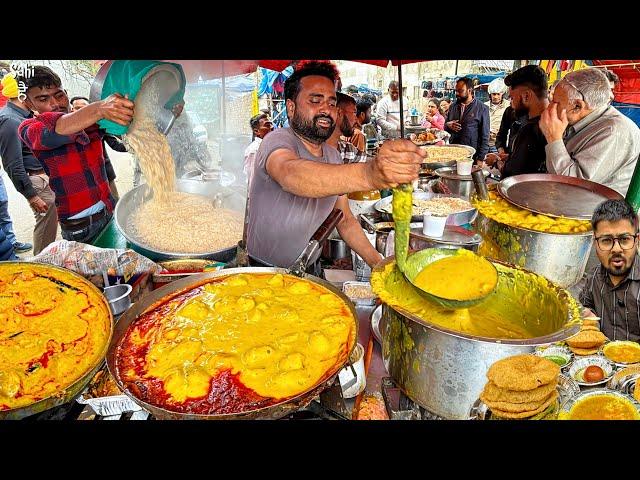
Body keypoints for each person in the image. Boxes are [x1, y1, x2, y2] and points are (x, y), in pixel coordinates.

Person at [246, 61, 425, 270]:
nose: (326, 110)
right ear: (291, 107)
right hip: (262, 270)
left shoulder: (333, 156)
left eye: (331, 103)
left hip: (308, 265)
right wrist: (369, 174)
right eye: (315, 100)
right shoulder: (277, 141)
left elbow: (345, 219)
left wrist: (377, 263)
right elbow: (290, 174)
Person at [17, 66, 134, 245]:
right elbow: (58, 129)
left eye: (59, 95)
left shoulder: (86, 119)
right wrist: (99, 108)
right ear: (30, 104)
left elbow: (123, 138)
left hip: (109, 211)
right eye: (43, 99)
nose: (55, 104)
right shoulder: (30, 129)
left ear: (66, 92)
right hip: (79, 228)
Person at [540, 68, 640, 196]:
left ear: (577, 106)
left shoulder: (613, 130)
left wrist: (553, 138)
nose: (550, 107)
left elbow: (571, 187)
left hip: (601, 212)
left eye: (556, 102)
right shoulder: (579, 121)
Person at [0, 75, 52, 254]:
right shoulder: (10, 120)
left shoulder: (24, 115)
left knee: (51, 223)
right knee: (45, 226)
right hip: (36, 181)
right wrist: (32, 195)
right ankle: (41, 264)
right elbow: (12, 164)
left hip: (43, 177)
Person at [580, 199, 640, 342]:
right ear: (596, 243)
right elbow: (587, 308)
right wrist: (588, 316)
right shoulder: (593, 278)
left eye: (624, 239)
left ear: (637, 240)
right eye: (606, 240)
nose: (617, 249)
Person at [484, 65, 549, 178]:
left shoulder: (533, 129)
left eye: (512, 98)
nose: (511, 104)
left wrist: (496, 161)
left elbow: (513, 173)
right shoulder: (554, 122)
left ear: (526, 96)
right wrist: (510, 157)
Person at [70, 96, 126, 202]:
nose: (82, 111)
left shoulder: (100, 125)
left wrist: (132, 148)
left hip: (105, 172)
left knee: (114, 201)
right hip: (84, 179)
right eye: (78, 108)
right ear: (72, 110)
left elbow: (115, 144)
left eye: (85, 108)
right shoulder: (66, 131)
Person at [444, 77, 490, 161]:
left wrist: (480, 158)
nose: (457, 93)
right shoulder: (452, 107)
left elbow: (485, 136)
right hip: (453, 152)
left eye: (460, 91)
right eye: (456, 91)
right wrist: (448, 125)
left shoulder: (482, 108)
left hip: (472, 155)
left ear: (469, 90)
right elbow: (445, 128)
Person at [327, 92, 368, 164]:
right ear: (339, 113)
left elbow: (366, 164)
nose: (356, 119)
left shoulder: (347, 149)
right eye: (354, 113)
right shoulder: (314, 150)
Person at [244, 113, 273, 188]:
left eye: (270, 124)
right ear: (257, 131)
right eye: (267, 125)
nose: (272, 127)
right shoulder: (254, 150)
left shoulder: (268, 146)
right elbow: (252, 178)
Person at [485, 78, 510, 152]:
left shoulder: (508, 106)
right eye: (494, 94)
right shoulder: (484, 106)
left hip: (498, 145)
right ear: (490, 94)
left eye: (498, 94)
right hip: (485, 143)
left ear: (502, 94)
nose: (496, 97)